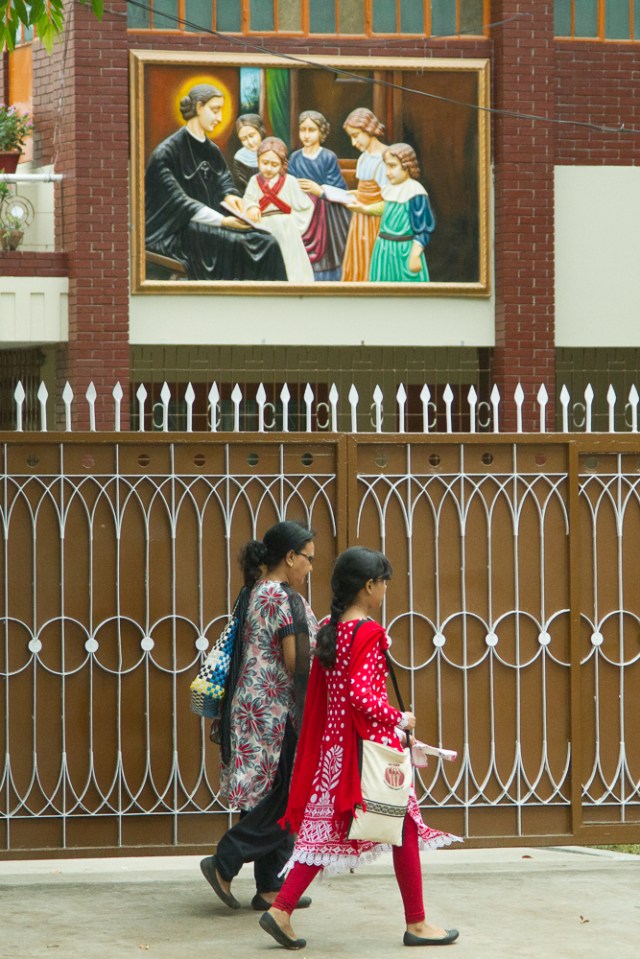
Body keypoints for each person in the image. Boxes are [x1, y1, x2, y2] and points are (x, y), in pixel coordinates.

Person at [259, 546, 460, 950]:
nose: (386, 590)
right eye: (384, 582)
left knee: (323, 834)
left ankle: (281, 909)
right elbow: (361, 696)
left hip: (335, 753)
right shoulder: (367, 632)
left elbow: (334, 696)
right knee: (402, 828)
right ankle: (416, 924)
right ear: (369, 586)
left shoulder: (331, 632)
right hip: (369, 754)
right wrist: (399, 720)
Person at [200, 520, 318, 912]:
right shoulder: (285, 597)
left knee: (263, 794)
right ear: (290, 557)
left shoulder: (252, 591)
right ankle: (226, 859)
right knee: (285, 796)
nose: (311, 568)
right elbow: (295, 659)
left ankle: (271, 886)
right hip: (277, 714)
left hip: (248, 709)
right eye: (308, 559)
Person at [144, 84, 286, 281]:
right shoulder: (166, 154)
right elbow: (179, 203)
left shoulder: (212, 150)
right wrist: (224, 221)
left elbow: (224, 181)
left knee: (266, 241)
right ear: (199, 107)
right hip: (176, 232)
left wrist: (231, 196)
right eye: (215, 110)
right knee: (258, 245)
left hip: (209, 226)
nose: (219, 118)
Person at [288, 110, 352, 282]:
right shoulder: (295, 157)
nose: (306, 135)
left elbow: (339, 188)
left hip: (324, 214)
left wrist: (320, 191)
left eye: (311, 130)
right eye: (303, 130)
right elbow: (289, 183)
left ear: (321, 132)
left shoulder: (328, 157)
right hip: (301, 211)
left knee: (326, 255)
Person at [243, 137, 315, 283]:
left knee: (290, 264)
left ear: (282, 165)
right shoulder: (254, 181)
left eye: (274, 164)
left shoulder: (290, 182)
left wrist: (293, 225)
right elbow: (248, 200)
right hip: (262, 228)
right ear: (258, 161)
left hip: (286, 229)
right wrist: (251, 207)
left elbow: (306, 206)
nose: (268, 168)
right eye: (265, 163)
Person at [369, 143, 436, 283]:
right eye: (386, 166)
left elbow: (423, 228)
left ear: (406, 166)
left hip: (405, 251)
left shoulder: (415, 192)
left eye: (392, 166)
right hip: (383, 250)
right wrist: (362, 208)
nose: (387, 172)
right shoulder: (390, 189)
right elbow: (387, 208)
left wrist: (415, 254)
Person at [341, 108, 388, 282]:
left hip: (376, 222)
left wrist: (365, 208)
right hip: (360, 221)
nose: (353, 143)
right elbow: (364, 191)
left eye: (355, 135)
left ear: (368, 129)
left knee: (372, 263)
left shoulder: (386, 159)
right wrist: (345, 194)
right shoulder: (363, 159)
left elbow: (389, 201)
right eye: (350, 137)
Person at [233, 113, 266, 191]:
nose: (250, 142)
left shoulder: (273, 150)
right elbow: (242, 187)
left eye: (252, 136)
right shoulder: (240, 158)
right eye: (244, 139)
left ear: (260, 131)